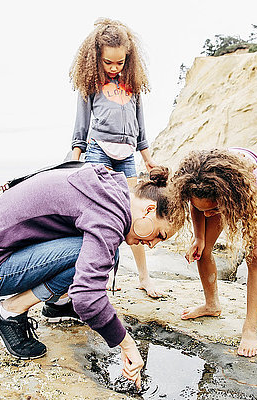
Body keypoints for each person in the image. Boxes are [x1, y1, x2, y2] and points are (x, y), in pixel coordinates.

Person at [0, 163, 184, 389]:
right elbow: (87, 297)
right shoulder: (109, 213)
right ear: (149, 210)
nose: (153, 245)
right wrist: (126, 344)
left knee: (104, 255)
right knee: (92, 255)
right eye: (160, 235)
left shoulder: (110, 186)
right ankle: (7, 312)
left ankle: (59, 303)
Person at [69, 18, 162, 298]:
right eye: (108, 62)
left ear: (128, 59)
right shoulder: (90, 83)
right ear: (97, 57)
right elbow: (81, 126)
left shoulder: (133, 84)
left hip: (127, 156)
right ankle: (100, 277)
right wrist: (75, 157)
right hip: (98, 151)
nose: (113, 68)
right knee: (100, 217)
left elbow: (141, 127)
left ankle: (144, 277)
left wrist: (148, 159)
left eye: (119, 62)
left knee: (133, 217)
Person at [171, 148, 257, 357]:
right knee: (202, 250)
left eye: (212, 210)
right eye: (204, 210)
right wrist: (199, 238)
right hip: (220, 191)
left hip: (253, 193)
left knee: (256, 255)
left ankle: (250, 328)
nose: (208, 215)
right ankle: (211, 305)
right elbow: (199, 207)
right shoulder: (199, 184)